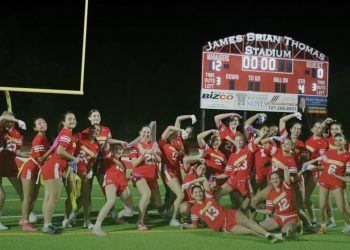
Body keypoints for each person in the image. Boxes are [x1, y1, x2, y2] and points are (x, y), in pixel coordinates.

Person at [182, 178, 280, 243]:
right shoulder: (194, 209)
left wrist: (189, 183)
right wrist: (183, 226)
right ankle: (272, 236)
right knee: (249, 231)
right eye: (195, 192)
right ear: (192, 194)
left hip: (229, 214)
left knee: (248, 222)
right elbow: (194, 225)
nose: (198, 194)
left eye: (199, 191)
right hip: (224, 226)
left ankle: (268, 235)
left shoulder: (208, 195)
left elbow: (203, 179)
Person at [303, 133, 350, 234]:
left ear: (345, 142)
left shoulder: (348, 156)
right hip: (324, 181)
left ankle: (349, 225)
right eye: (336, 140)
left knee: (342, 208)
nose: (338, 142)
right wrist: (313, 167)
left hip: (337, 184)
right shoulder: (329, 152)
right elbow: (324, 167)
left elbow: (348, 176)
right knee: (322, 206)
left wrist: (337, 176)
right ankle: (323, 226)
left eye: (340, 140)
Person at [41, 112, 79, 234]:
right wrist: (74, 159)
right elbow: (60, 150)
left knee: (48, 197)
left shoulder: (65, 133)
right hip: (55, 166)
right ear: (63, 122)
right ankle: (47, 225)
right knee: (53, 197)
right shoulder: (67, 132)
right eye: (69, 119)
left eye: (74, 118)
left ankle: (47, 224)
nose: (72, 120)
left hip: (53, 166)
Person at [92, 139, 134, 236]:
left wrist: (131, 178)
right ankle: (96, 228)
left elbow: (123, 178)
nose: (119, 151)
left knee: (130, 210)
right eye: (117, 149)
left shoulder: (123, 164)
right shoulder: (108, 156)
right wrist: (121, 141)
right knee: (110, 201)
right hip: (111, 179)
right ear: (112, 150)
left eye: (121, 149)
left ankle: (117, 218)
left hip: (122, 183)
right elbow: (107, 141)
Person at [214, 131, 266, 210]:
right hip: (232, 181)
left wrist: (252, 129)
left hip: (244, 182)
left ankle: (261, 215)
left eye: (241, 140)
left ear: (244, 141)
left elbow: (261, 135)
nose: (239, 142)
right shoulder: (232, 156)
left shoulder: (248, 149)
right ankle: (218, 214)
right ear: (234, 142)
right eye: (237, 140)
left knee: (249, 204)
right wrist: (215, 177)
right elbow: (226, 174)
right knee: (215, 195)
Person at [18, 117, 51, 231]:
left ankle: (24, 218)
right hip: (29, 169)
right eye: (39, 123)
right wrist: (52, 151)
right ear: (35, 128)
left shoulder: (44, 138)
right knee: (28, 197)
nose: (42, 124)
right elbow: (41, 158)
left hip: (36, 171)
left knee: (34, 197)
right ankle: (25, 222)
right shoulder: (38, 139)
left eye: (44, 122)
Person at [65, 124, 101, 229]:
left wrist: (90, 171)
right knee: (71, 194)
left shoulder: (97, 145)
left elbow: (91, 161)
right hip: (73, 167)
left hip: (84, 170)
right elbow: (69, 141)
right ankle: (66, 218)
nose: (96, 131)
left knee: (86, 194)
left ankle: (87, 220)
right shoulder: (80, 136)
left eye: (98, 130)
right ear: (89, 130)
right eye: (94, 129)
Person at [129, 125, 162, 230]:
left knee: (157, 204)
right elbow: (134, 164)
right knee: (146, 194)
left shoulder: (154, 144)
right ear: (140, 133)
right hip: (139, 174)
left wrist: (154, 153)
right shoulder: (136, 146)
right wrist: (142, 155)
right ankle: (140, 222)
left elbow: (159, 160)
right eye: (144, 132)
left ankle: (144, 209)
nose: (146, 134)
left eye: (148, 132)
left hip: (152, 176)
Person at [257, 162, 301, 240]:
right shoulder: (270, 194)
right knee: (258, 227)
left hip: (291, 217)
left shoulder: (285, 186)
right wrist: (257, 210)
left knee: (286, 233)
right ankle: (281, 231)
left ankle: (295, 228)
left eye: (277, 178)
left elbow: (286, 169)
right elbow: (269, 211)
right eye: (272, 179)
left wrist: (273, 163)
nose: (275, 180)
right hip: (278, 218)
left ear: (281, 179)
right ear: (270, 181)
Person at [304, 121, 335, 228]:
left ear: (322, 130)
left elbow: (322, 159)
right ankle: (325, 220)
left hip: (314, 171)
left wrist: (312, 165)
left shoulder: (322, 142)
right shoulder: (310, 139)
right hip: (306, 171)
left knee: (307, 197)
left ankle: (314, 220)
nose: (317, 129)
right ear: (313, 128)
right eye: (316, 127)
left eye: (320, 128)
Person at [0, 111, 28, 230]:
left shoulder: (16, 133)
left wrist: (30, 156)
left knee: (23, 192)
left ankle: (26, 216)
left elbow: (16, 152)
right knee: (1, 195)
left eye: (12, 120)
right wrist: (18, 120)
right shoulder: (1, 128)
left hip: (10, 166)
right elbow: (1, 117)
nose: (9, 121)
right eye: (8, 119)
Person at [159, 125, 185, 226]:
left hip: (174, 171)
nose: (174, 136)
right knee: (180, 195)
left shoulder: (175, 146)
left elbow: (181, 159)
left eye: (175, 135)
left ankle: (162, 209)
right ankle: (173, 219)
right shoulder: (163, 143)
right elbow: (169, 127)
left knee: (174, 195)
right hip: (167, 171)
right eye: (172, 134)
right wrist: (180, 130)